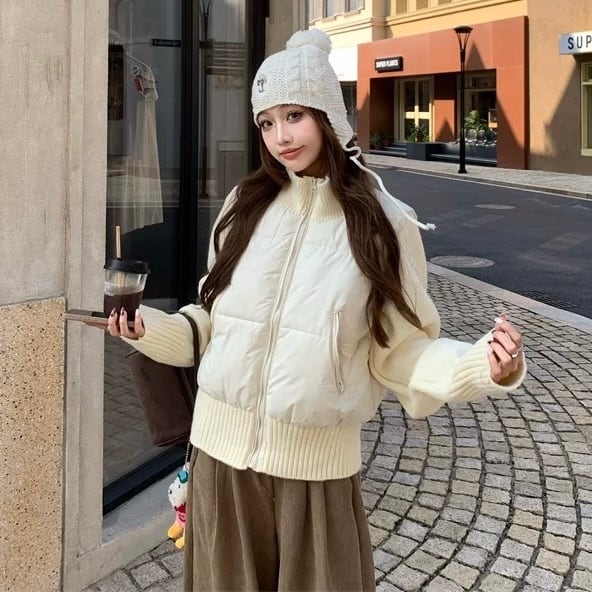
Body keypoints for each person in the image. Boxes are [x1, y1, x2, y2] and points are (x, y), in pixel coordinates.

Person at [106, 28, 526, 592]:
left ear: (328, 115)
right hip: (219, 460)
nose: (280, 136)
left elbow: (402, 350)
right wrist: (145, 328)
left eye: (294, 116)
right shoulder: (244, 206)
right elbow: (211, 323)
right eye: (266, 122)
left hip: (314, 477)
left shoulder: (383, 223)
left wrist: (481, 365)